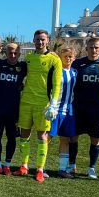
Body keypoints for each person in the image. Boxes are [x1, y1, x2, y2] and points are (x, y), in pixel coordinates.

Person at [13, 29, 62, 182]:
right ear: (33, 40)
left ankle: (40, 169)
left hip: (43, 103)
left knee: (42, 136)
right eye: (37, 39)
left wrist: (53, 103)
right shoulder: (29, 58)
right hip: (26, 102)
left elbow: (57, 84)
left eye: (43, 39)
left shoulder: (55, 60)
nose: (40, 42)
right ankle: (24, 166)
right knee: (24, 134)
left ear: (48, 41)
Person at [70, 37, 99, 178]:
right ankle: (72, 165)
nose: (93, 50)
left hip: (96, 108)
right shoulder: (77, 63)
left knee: (95, 139)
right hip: (78, 106)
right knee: (73, 137)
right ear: (86, 48)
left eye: (96, 47)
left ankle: (91, 168)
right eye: (91, 47)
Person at [0, 43, 27, 176]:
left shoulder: (23, 67)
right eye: (10, 52)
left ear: (19, 54)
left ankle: (7, 165)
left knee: (12, 137)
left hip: (14, 110)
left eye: (15, 53)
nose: (12, 55)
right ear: (6, 52)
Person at [48, 47, 77, 178]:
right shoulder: (55, 71)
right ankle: (40, 167)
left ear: (74, 58)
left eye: (70, 56)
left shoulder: (75, 72)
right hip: (55, 109)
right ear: (60, 57)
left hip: (68, 111)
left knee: (65, 139)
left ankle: (62, 169)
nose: (68, 58)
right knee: (47, 138)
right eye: (65, 56)